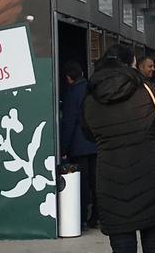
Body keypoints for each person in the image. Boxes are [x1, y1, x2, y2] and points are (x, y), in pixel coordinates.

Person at [82, 45, 155, 253]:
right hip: (152, 176)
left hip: (111, 181)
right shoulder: (148, 91)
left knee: (122, 248)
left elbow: (88, 134)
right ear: (131, 65)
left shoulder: (89, 100)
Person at [60, 60, 98, 228]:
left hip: (78, 145)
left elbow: (69, 122)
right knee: (96, 183)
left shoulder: (71, 94)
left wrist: (63, 147)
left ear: (68, 78)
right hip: (95, 143)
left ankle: (81, 217)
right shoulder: (93, 90)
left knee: (81, 185)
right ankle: (97, 215)